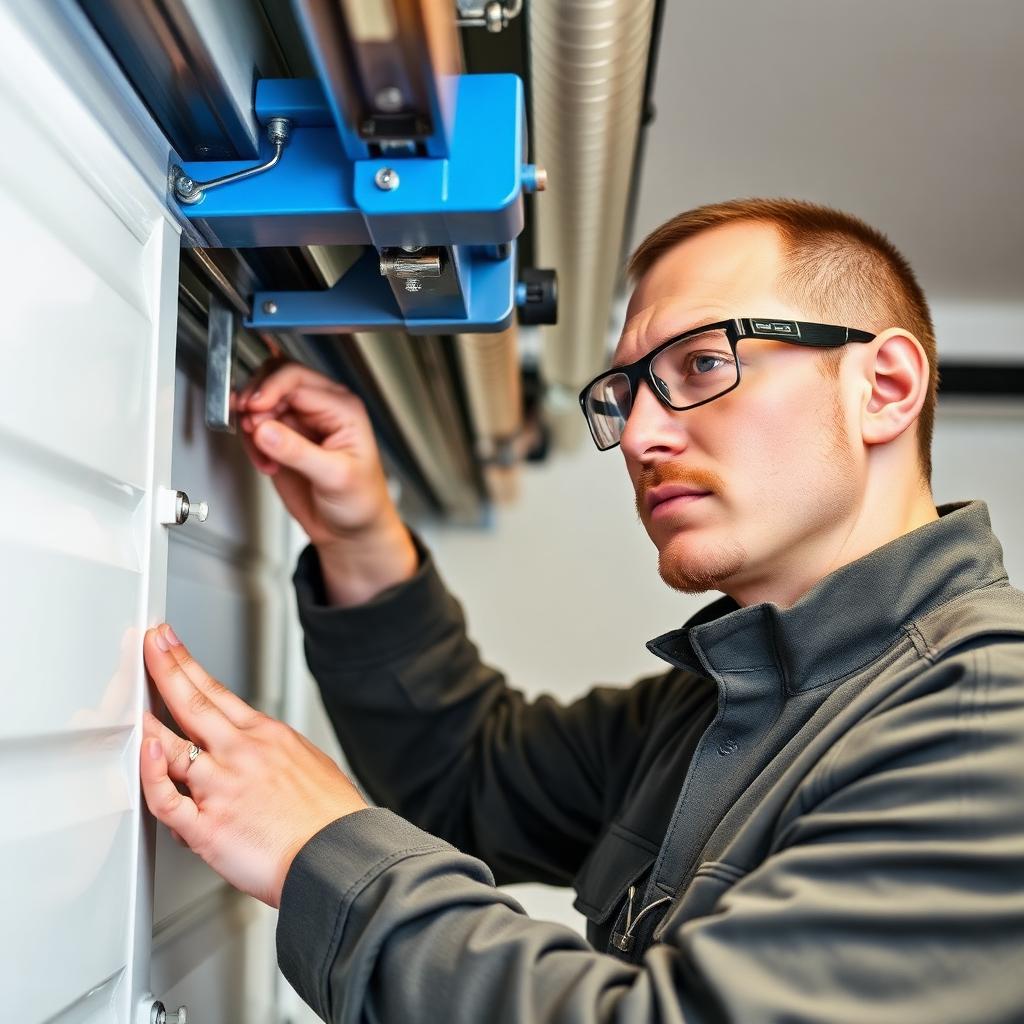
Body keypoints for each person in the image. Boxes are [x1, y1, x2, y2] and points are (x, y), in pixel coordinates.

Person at [140, 198, 1024, 1023]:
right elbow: (469, 780)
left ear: (886, 387)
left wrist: (323, 853)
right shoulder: (720, 707)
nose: (640, 436)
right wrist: (362, 538)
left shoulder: (985, 715)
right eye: (626, 393)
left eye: (704, 363)